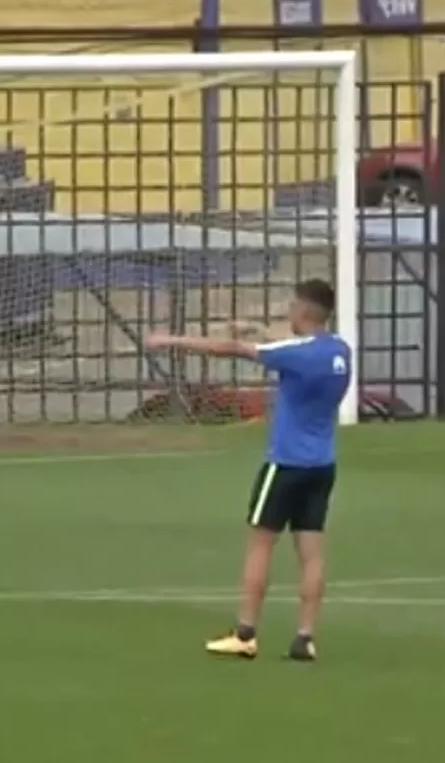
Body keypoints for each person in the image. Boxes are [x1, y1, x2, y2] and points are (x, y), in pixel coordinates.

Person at [144, 278, 351, 662]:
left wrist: (172, 341)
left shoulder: (297, 354)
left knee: (260, 544)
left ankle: (245, 633)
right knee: (312, 552)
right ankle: (305, 637)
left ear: (302, 312)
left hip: (286, 462)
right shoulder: (339, 351)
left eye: (291, 307)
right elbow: (284, 344)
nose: (287, 313)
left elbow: (233, 349)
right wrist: (255, 329)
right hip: (322, 465)